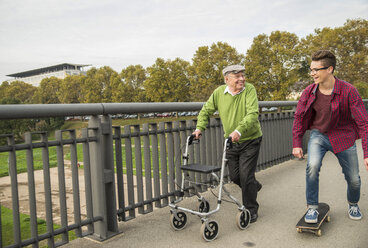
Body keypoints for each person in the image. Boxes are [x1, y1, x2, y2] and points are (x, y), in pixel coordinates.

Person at [292, 50, 368, 223]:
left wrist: (367, 152)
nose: (312, 73)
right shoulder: (309, 92)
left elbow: (364, 123)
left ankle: (353, 203)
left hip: (343, 136)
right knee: (312, 167)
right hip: (319, 136)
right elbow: (299, 117)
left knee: (354, 178)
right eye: (311, 69)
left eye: (316, 70)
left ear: (330, 69)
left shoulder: (349, 91)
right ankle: (312, 207)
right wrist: (297, 143)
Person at [192, 64, 263, 223]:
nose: (242, 79)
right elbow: (206, 110)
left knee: (245, 175)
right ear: (227, 79)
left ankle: (251, 210)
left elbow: (252, 114)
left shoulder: (249, 89)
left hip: (250, 139)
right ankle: (253, 185)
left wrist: (239, 131)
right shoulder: (219, 93)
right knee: (235, 176)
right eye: (237, 76)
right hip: (231, 142)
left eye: (243, 75)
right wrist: (199, 128)